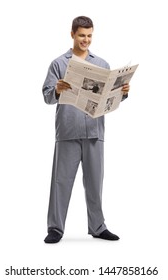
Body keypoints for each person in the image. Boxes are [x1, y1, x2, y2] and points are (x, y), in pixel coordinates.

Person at [42, 16, 130, 243]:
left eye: (89, 35)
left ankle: (98, 227)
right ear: (72, 34)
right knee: (61, 182)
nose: (86, 40)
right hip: (68, 131)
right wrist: (58, 90)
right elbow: (47, 96)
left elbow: (109, 100)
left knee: (94, 182)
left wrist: (122, 92)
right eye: (82, 35)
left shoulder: (102, 64)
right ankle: (55, 228)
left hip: (94, 131)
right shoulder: (59, 64)